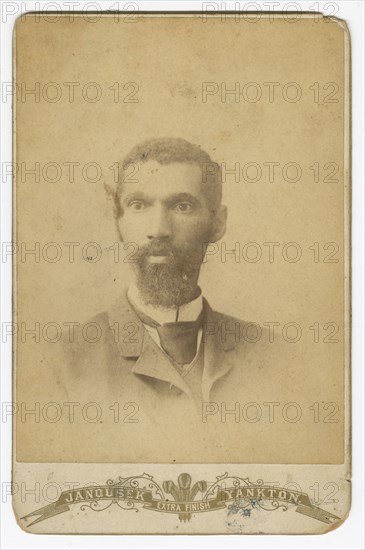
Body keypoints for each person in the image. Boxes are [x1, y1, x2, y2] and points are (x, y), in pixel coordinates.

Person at [43, 138, 286, 462]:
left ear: (217, 223)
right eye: (139, 205)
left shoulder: (276, 359)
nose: (158, 229)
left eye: (182, 206)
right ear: (118, 220)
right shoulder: (61, 364)